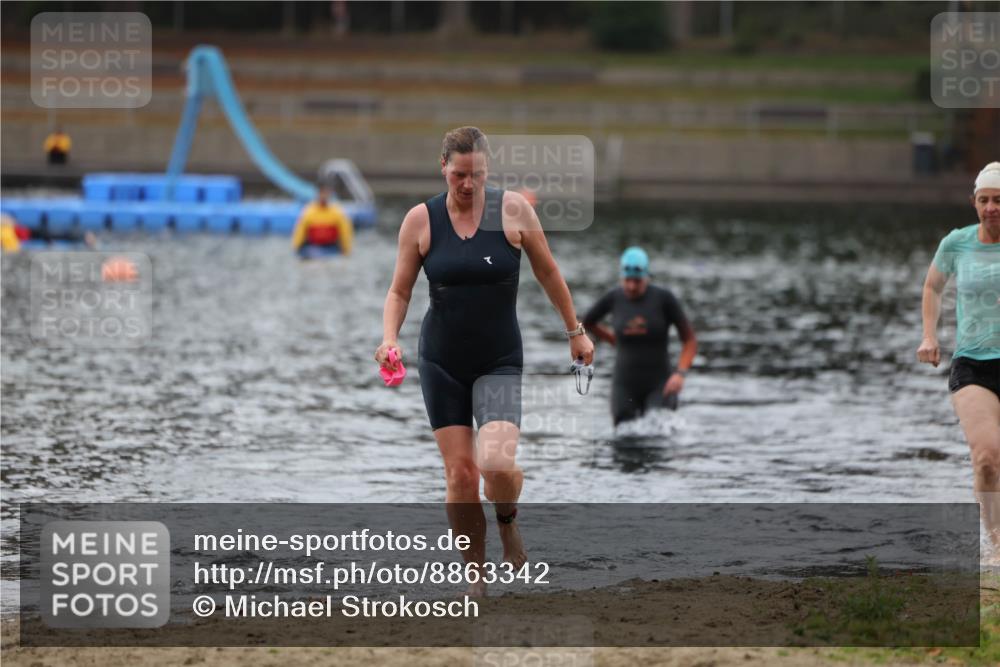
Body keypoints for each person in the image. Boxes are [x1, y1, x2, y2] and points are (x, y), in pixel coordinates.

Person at [375, 126, 594, 595]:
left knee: (496, 467)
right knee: (460, 473)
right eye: (459, 175)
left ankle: (508, 522)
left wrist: (574, 332)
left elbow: (548, 272)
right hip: (441, 361)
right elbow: (399, 290)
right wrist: (389, 338)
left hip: (498, 358)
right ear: (443, 169)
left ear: (487, 171)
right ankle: (475, 578)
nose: (468, 184)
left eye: (476, 174)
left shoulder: (513, 210)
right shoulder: (421, 220)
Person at [918, 161, 1000, 550]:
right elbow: (933, 287)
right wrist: (929, 336)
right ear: (974, 202)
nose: (991, 208)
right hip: (973, 364)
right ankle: (997, 544)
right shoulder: (957, 243)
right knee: (986, 458)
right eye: (984, 200)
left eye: (998, 200)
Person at [582, 246, 697, 426]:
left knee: (657, 432)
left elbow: (689, 340)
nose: (632, 286)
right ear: (621, 277)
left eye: (637, 281)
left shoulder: (663, 298)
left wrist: (680, 374)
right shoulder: (614, 297)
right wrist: (614, 340)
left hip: (660, 383)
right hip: (624, 384)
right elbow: (587, 323)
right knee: (624, 434)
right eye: (627, 280)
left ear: (646, 277)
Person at [290, 185, 354, 259]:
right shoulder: (309, 211)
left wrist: (347, 249)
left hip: (331, 247)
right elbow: (300, 231)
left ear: (329, 195)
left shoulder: (337, 212)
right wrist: (296, 246)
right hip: (313, 246)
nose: (324, 196)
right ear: (318, 194)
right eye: (322, 193)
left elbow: (345, 232)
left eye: (326, 194)